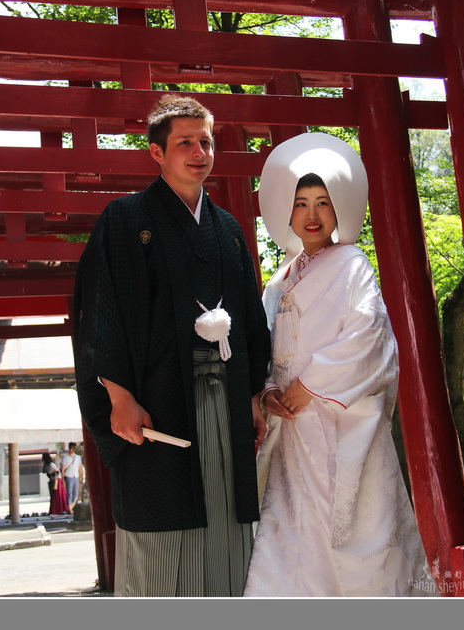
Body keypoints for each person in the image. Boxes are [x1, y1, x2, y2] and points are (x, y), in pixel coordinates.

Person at [72, 95, 271, 597]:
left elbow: (249, 318)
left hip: (224, 397)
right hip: (157, 402)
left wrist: (251, 395)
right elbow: (100, 311)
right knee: (162, 523)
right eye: (186, 143)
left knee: (226, 516)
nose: (199, 152)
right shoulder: (124, 219)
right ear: (157, 153)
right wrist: (119, 397)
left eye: (206, 141)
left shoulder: (227, 229)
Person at [243, 132, 437, 598]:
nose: (311, 215)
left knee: (355, 541)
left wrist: (310, 385)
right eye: (301, 204)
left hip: (340, 425)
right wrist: (269, 390)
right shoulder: (279, 281)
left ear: (338, 210)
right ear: (288, 212)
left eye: (323, 203)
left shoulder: (353, 265)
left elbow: (369, 336)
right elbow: (264, 345)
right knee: (290, 539)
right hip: (292, 432)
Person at [42, 452, 69, 516]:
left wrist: (53, 477)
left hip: (56, 481)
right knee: (54, 496)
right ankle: (55, 510)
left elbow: (57, 472)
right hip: (52, 481)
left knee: (57, 495)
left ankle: (59, 509)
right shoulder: (46, 465)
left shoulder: (51, 465)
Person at [60, 442, 84, 515]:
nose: (72, 450)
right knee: (69, 493)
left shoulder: (78, 457)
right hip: (68, 476)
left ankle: (70, 507)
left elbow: (80, 466)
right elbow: (62, 469)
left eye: (73, 449)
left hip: (76, 476)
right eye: (71, 448)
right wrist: (63, 479)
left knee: (76, 494)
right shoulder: (65, 457)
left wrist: (82, 475)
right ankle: (70, 509)